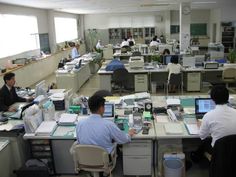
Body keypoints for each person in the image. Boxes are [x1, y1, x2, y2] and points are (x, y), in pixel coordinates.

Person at [191, 85, 236, 162]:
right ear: (228, 97)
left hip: (218, 152)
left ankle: (196, 157)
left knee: (205, 142)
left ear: (212, 98)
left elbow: (202, 135)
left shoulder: (209, 115)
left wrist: (201, 125)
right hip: (234, 151)